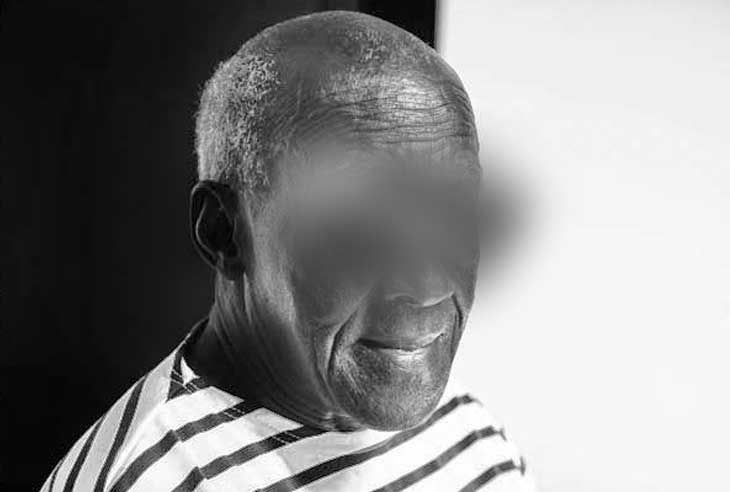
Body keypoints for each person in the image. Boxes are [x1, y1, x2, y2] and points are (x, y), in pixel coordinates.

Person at [42, 11, 536, 491]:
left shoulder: (466, 430)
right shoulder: (152, 479)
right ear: (224, 232)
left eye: (453, 209)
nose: (428, 287)